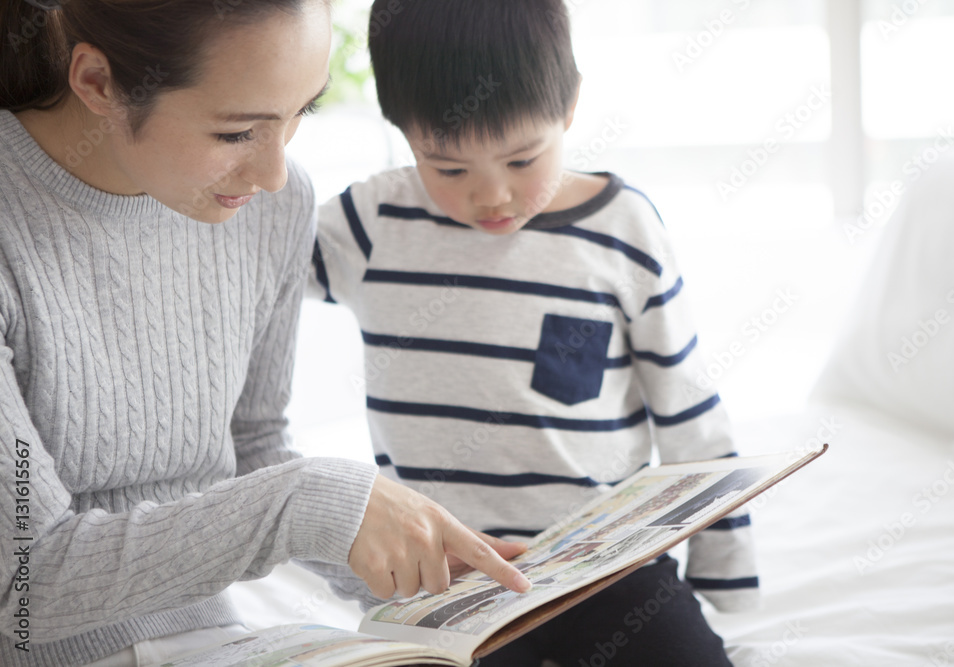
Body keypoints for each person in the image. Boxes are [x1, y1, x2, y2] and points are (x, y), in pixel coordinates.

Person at [0, 1, 529, 665]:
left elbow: (252, 446)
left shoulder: (272, 207)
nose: (275, 174)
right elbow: (27, 580)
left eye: (300, 111)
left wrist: (428, 578)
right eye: (237, 133)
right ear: (98, 83)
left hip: (222, 636)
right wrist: (311, 498)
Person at [311, 0, 760, 664]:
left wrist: (726, 562)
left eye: (523, 159)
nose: (491, 195)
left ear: (570, 106)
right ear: (405, 133)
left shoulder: (623, 230)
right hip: (451, 574)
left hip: (606, 567)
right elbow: (246, 260)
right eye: (450, 168)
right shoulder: (372, 221)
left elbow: (685, 401)